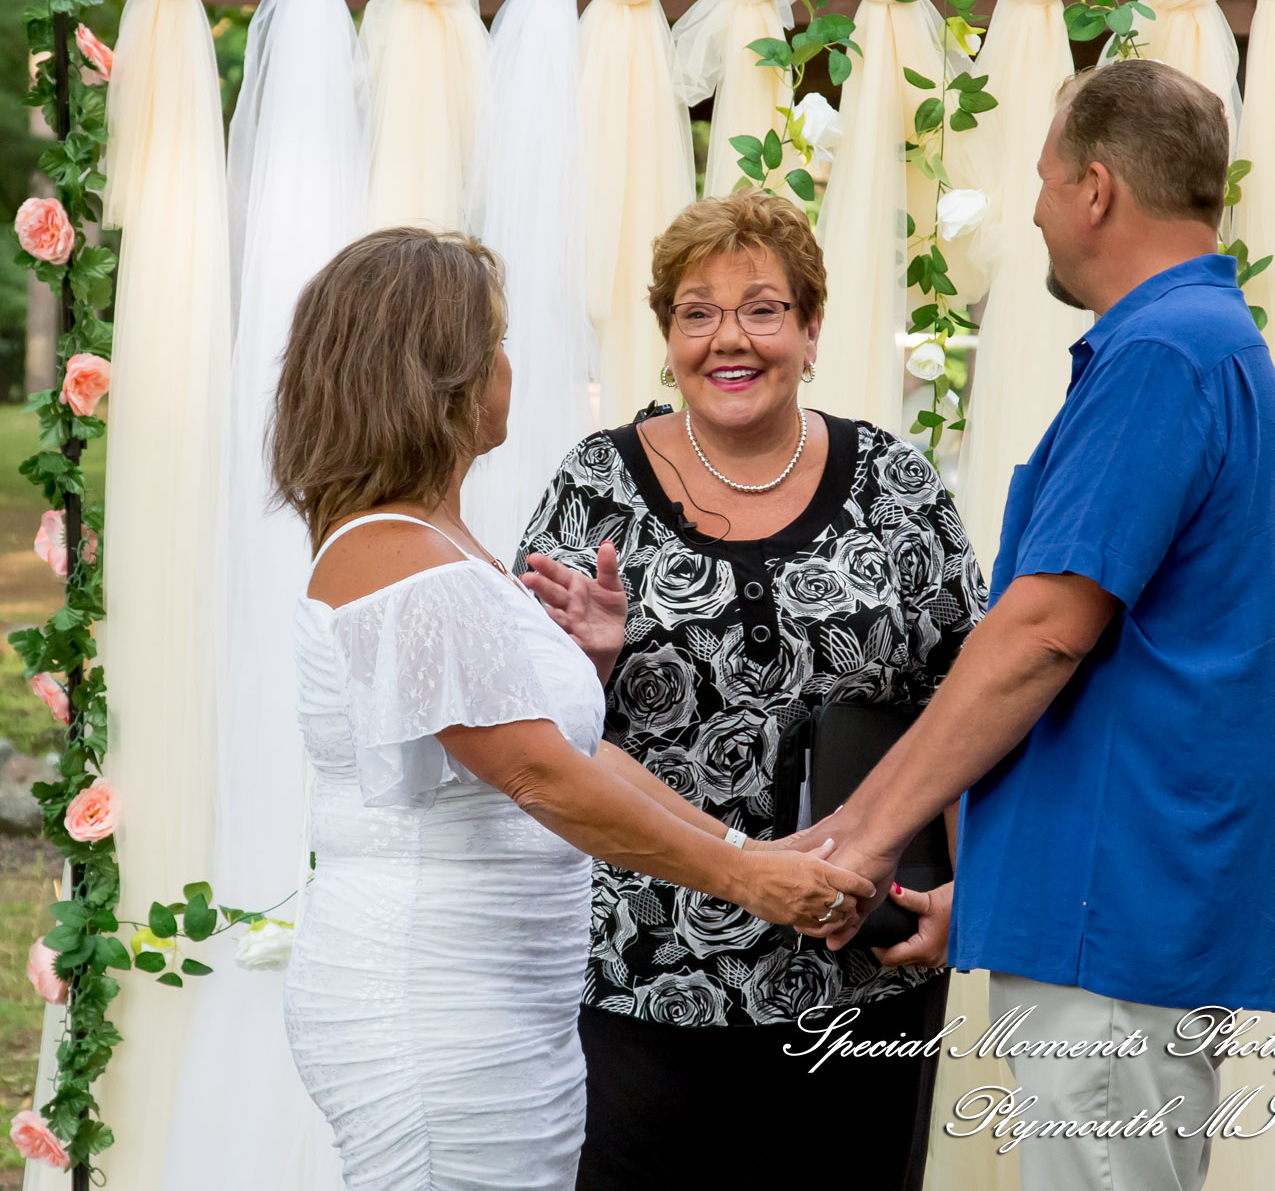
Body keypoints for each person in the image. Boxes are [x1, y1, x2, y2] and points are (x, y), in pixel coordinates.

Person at [268, 227, 873, 1191]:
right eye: (496, 343)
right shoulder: (397, 558)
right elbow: (537, 776)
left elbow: (562, 747)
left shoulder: (438, 541)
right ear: (449, 377)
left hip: (505, 1001)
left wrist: (751, 847)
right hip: (438, 1003)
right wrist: (740, 879)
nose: (511, 366)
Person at [813, 61, 1275, 1191]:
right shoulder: (1200, 344)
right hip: (1111, 897)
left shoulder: (1161, 355)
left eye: (1039, 177)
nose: (1031, 206)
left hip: (1114, 913)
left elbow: (1042, 631)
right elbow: (1149, 676)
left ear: (1093, 188)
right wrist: (985, 887)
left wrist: (864, 831)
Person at [517, 189, 988, 1191]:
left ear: (811, 330)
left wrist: (965, 885)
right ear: (667, 336)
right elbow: (526, 741)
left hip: (864, 984)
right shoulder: (593, 488)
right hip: (641, 986)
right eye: (697, 312)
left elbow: (975, 698)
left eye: (764, 309)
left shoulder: (896, 483)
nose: (730, 339)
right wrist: (588, 672)